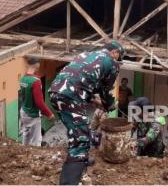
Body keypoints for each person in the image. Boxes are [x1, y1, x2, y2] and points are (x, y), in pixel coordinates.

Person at [49, 40, 123, 185]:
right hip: (71, 97)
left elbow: (82, 81)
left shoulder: (85, 55)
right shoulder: (112, 63)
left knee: (78, 129)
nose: (117, 59)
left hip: (55, 93)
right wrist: (108, 105)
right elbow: (105, 91)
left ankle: (82, 160)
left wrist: (93, 101)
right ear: (115, 52)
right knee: (80, 141)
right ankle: (68, 182)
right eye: (118, 56)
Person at [19, 57, 55, 146]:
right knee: (36, 141)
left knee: (26, 135)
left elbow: (23, 97)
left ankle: (24, 151)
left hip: (23, 112)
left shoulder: (23, 78)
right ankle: (34, 159)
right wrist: (49, 114)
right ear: (37, 65)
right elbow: (39, 103)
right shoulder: (36, 81)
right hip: (32, 115)